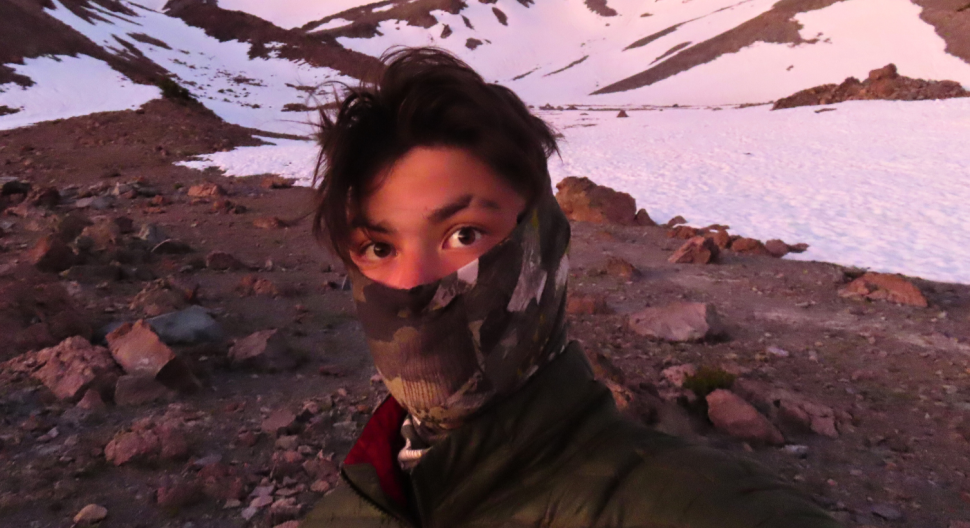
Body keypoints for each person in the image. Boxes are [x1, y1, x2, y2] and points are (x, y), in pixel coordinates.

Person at [301, 47, 840, 527]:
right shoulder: (357, 499)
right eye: (379, 248)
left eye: (463, 234)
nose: (412, 283)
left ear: (544, 243)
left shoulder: (707, 508)